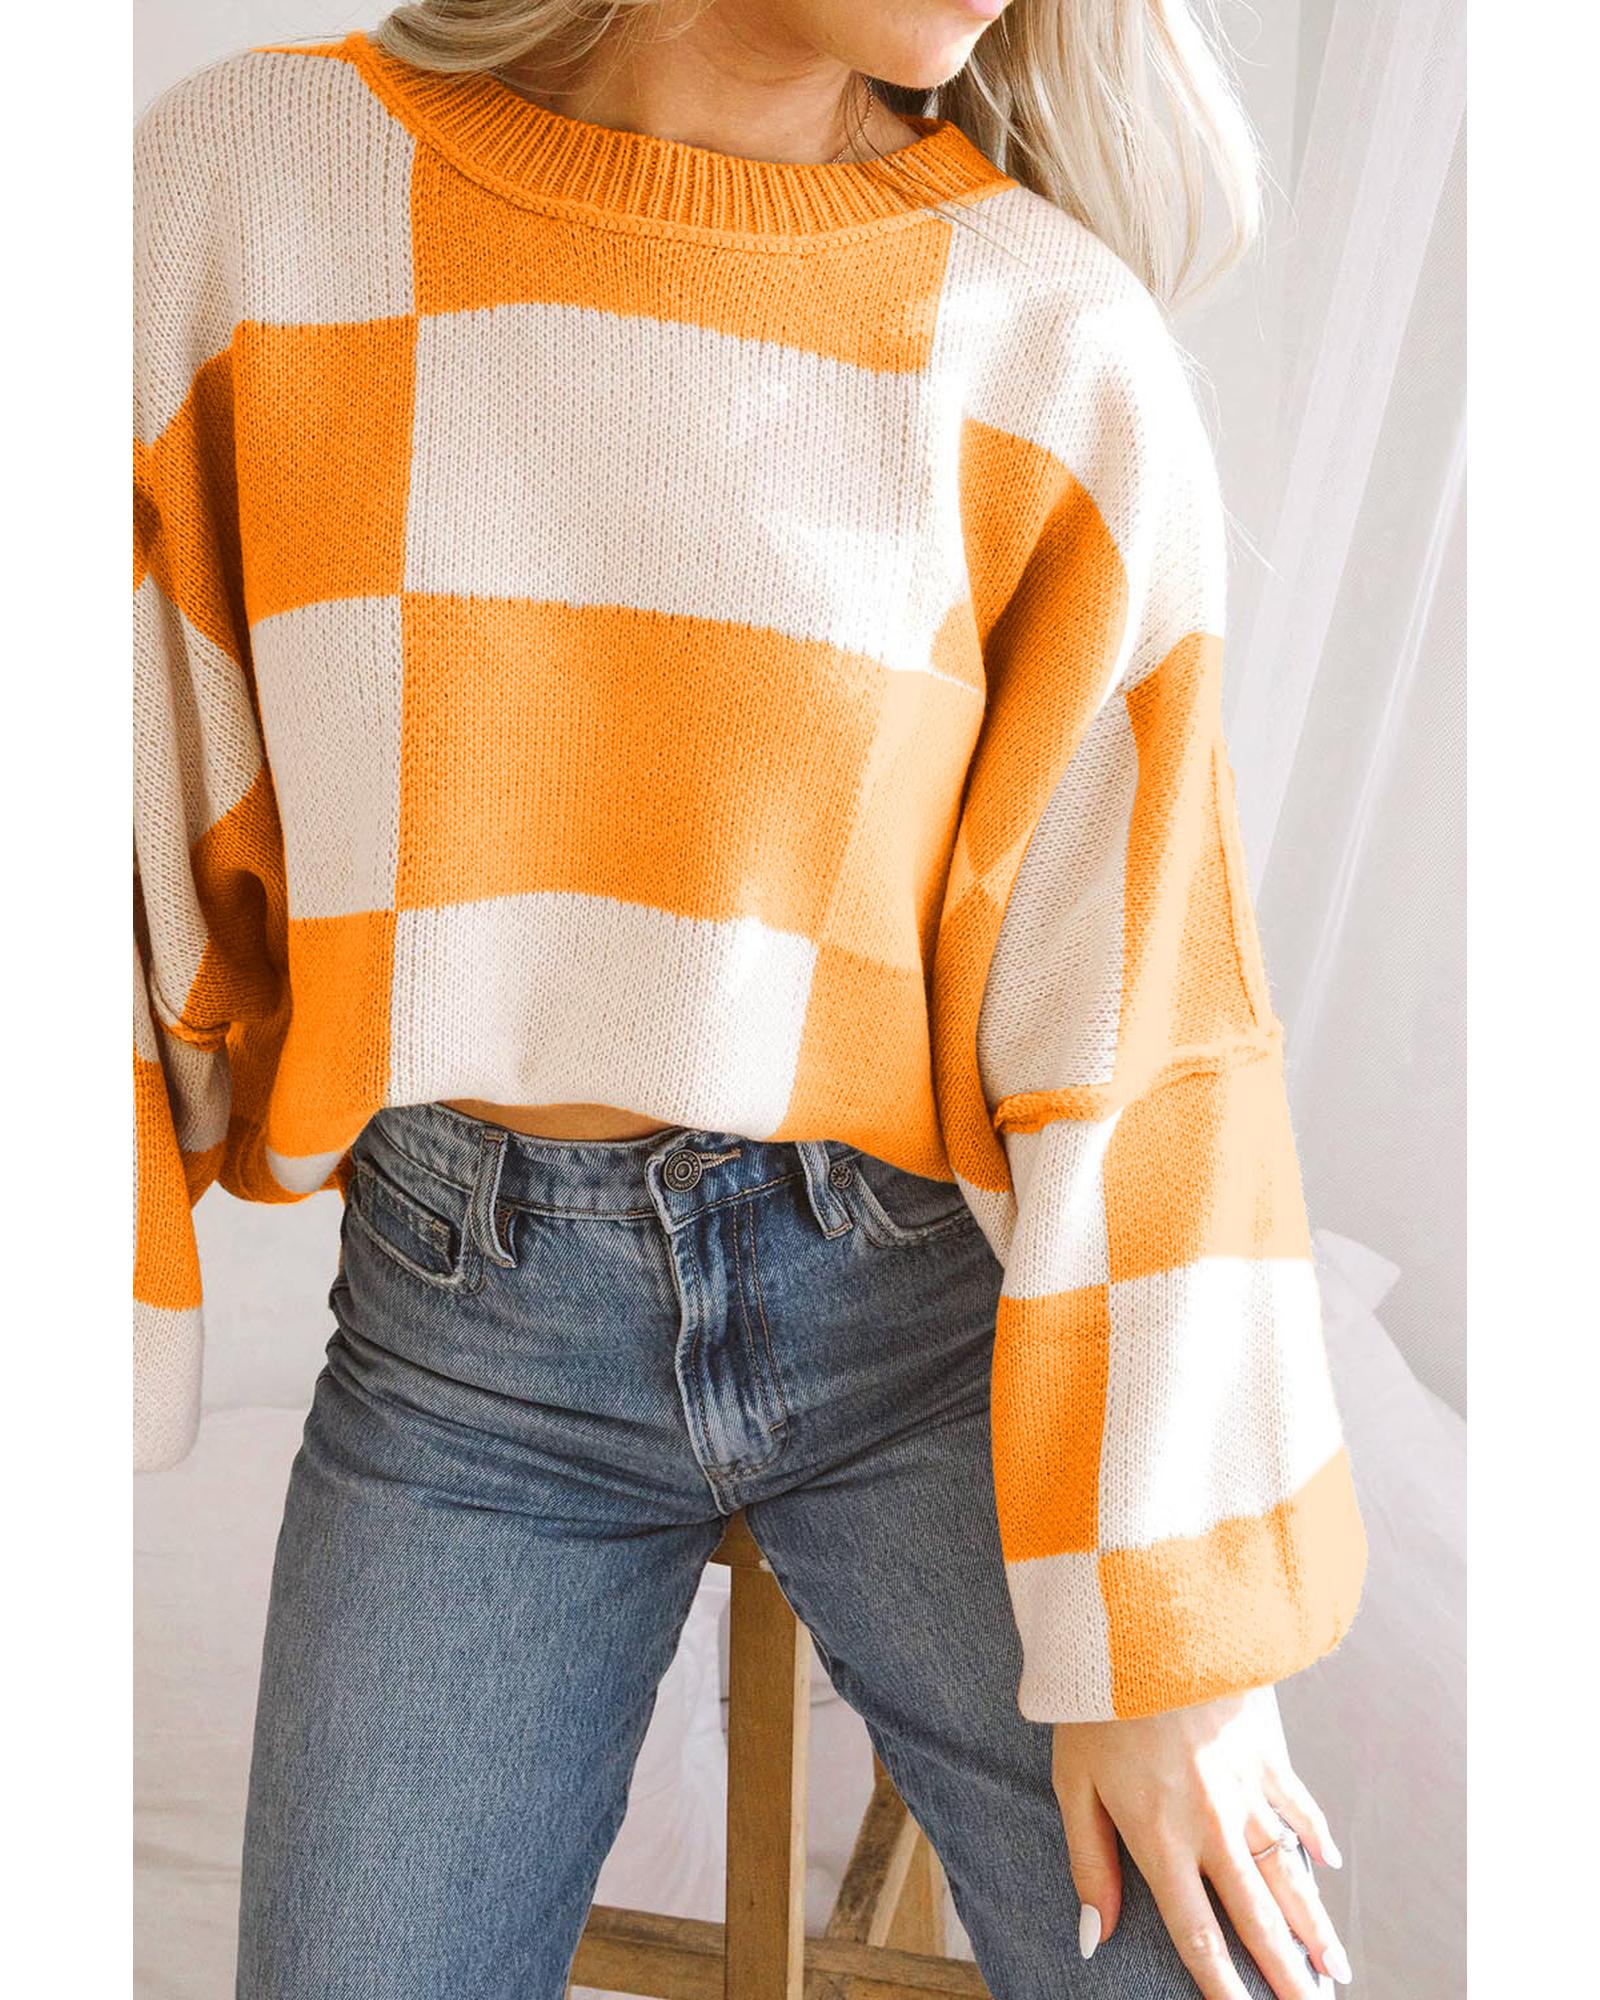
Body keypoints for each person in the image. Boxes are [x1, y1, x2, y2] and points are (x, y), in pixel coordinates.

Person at [131, 3, 1369, 1994]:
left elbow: (1143, 1008)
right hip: (469, 1354)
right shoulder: (254, 189)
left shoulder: (1045, 338)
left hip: (924, 1331)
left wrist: (1177, 1652)